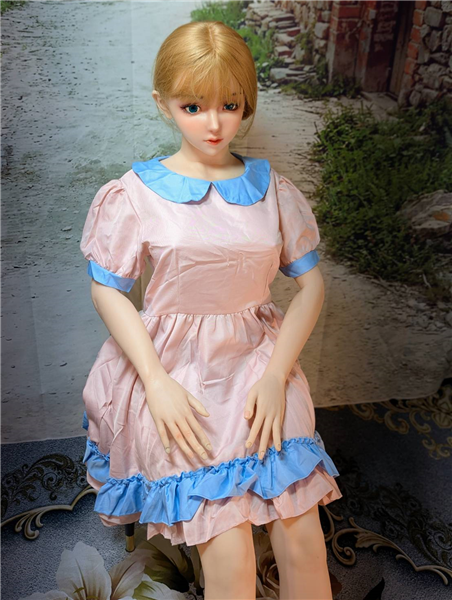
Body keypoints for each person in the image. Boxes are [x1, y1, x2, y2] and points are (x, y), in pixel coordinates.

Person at [79, 20, 342, 600]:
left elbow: (311, 286)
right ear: (163, 103)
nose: (215, 123)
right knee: (228, 548)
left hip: (258, 362)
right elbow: (108, 289)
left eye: (230, 105)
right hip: (176, 370)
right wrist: (154, 381)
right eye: (193, 106)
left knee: (303, 534)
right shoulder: (135, 194)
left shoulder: (272, 189)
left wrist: (276, 376)